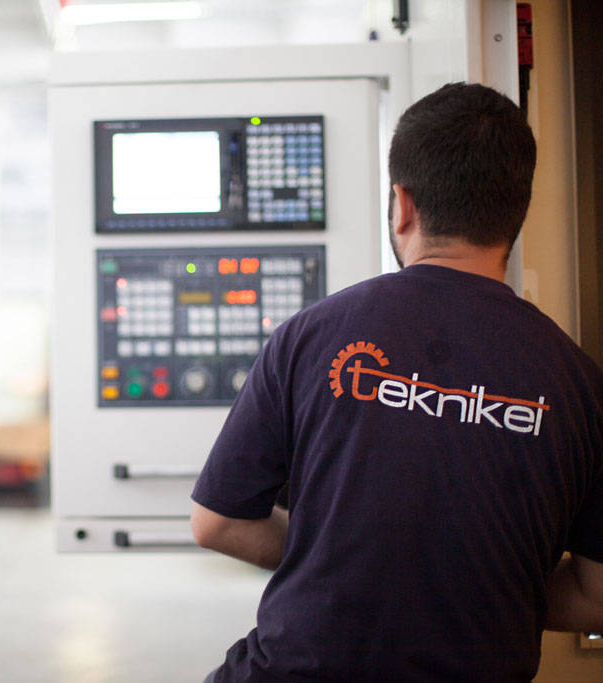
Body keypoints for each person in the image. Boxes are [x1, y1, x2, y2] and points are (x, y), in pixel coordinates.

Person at [190, 82, 603, 682]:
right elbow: (596, 595)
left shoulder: (310, 334)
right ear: (516, 213)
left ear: (402, 204)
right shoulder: (579, 383)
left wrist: (340, 562)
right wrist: (474, 591)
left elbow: (216, 522)